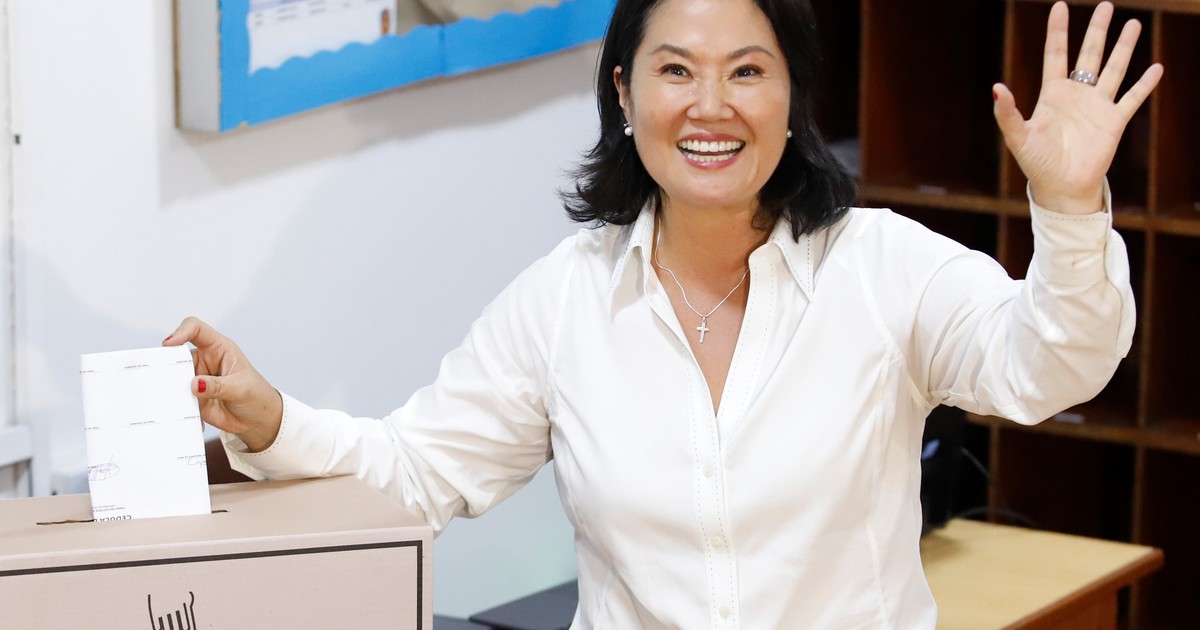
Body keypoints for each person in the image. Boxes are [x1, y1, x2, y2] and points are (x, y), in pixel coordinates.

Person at [165, 0, 1161, 626]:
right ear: (624, 92)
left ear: (792, 96)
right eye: (676, 69)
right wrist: (271, 418)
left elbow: (1050, 368)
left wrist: (1071, 207)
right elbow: (417, 474)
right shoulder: (566, 297)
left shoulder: (882, 265)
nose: (710, 106)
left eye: (748, 71)